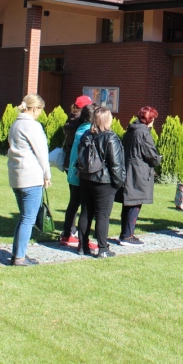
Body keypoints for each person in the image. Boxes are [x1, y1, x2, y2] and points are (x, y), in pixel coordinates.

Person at [6, 94, 52, 266]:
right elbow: (42, 153)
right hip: (31, 177)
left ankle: (17, 253)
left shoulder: (16, 124)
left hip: (16, 176)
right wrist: (47, 175)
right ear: (34, 108)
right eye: (40, 109)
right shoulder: (33, 126)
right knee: (28, 219)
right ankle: (19, 257)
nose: (40, 113)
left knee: (23, 217)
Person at [77, 106, 125, 258]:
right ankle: (103, 249)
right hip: (103, 181)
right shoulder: (111, 137)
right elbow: (116, 165)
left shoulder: (86, 134)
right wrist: (118, 183)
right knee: (102, 215)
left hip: (85, 177)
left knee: (86, 212)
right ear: (107, 120)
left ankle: (82, 246)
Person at [118, 106, 162, 246]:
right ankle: (127, 236)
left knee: (128, 203)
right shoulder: (143, 133)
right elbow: (151, 155)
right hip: (138, 173)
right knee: (135, 204)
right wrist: (158, 158)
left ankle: (125, 234)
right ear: (150, 120)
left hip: (129, 169)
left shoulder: (130, 130)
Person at [59, 97, 93, 247]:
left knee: (73, 201)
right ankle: (75, 235)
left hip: (70, 164)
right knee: (81, 202)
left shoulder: (71, 121)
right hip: (78, 166)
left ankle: (68, 232)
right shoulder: (82, 126)